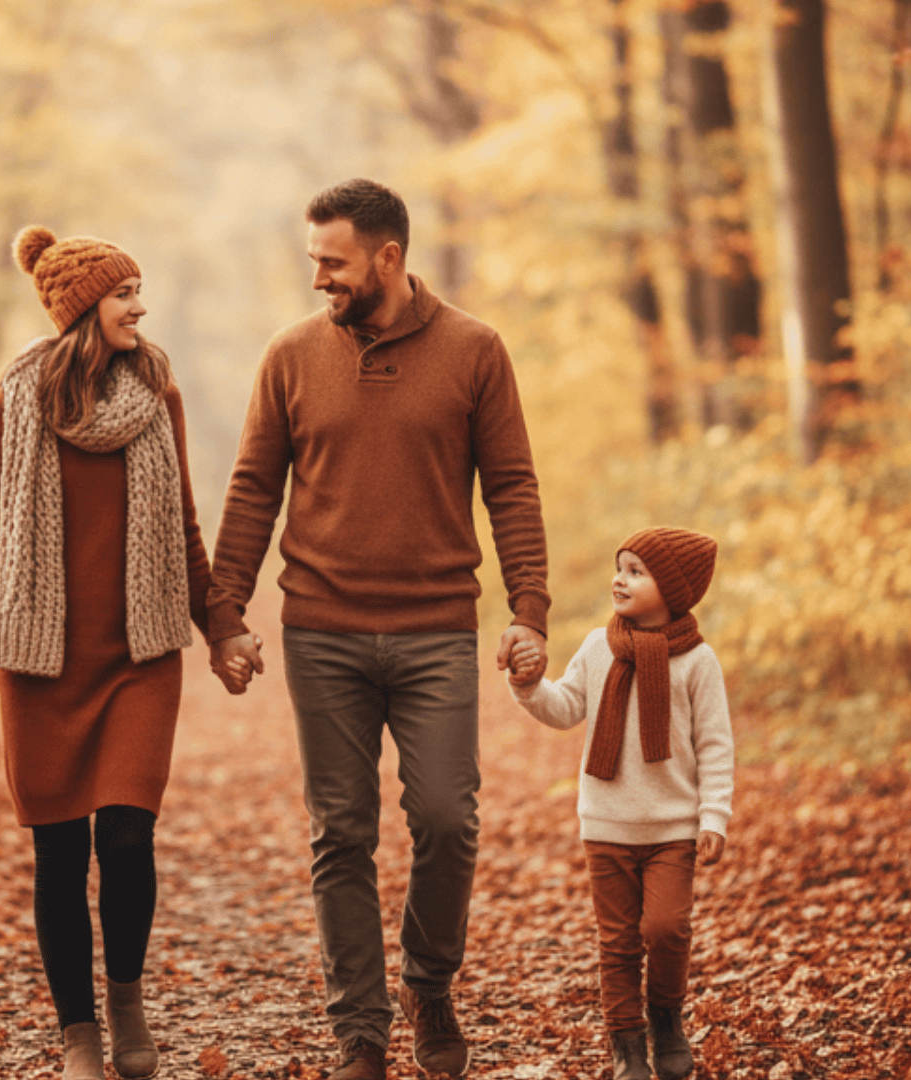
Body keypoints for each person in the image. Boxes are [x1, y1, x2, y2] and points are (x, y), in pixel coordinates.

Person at [206, 178, 551, 1080]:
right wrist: (225, 613)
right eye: (313, 259)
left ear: (388, 258)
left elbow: (510, 485)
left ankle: (428, 985)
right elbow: (252, 489)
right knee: (342, 830)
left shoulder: (475, 350)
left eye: (333, 261)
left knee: (446, 817)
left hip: (438, 625)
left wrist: (530, 611)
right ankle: (360, 1029)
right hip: (321, 631)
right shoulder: (289, 357)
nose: (317, 277)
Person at [0, 226, 224, 1080]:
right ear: (80, 312)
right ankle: (77, 1033)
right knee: (61, 855)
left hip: (138, 657)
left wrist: (223, 630)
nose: (140, 307)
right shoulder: (12, 404)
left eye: (139, 290)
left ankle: (128, 1003)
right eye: (123, 294)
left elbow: (183, 527)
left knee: (129, 838)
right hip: (39, 663)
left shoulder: (158, 394)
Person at [505, 527, 733, 1080]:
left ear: (672, 590)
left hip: (672, 827)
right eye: (620, 567)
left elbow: (715, 743)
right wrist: (530, 686)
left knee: (666, 928)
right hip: (606, 825)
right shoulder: (597, 647)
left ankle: (666, 1018)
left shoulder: (698, 662)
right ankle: (627, 1045)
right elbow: (565, 707)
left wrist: (713, 815)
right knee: (618, 941)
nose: (620, 579)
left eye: (637, 571)